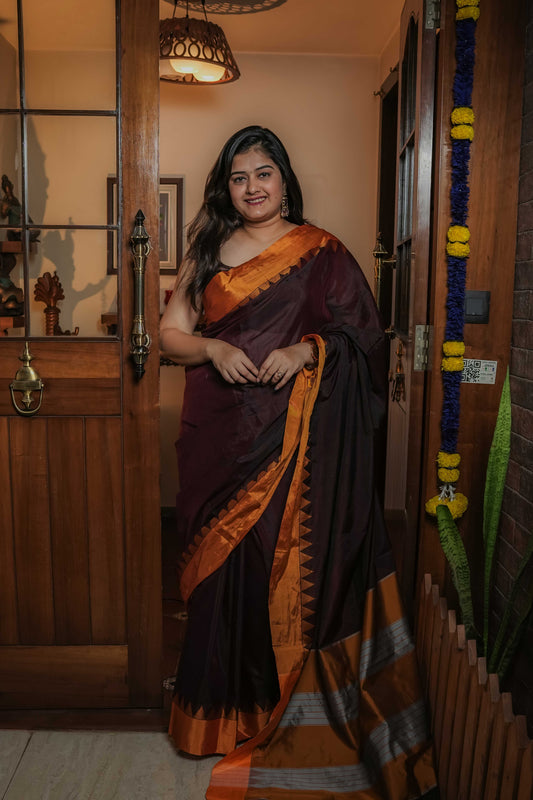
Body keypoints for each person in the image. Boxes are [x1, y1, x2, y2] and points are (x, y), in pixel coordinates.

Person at [160, 125, 436, 799]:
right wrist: (213, 349)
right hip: (220, 440)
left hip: (296, 443)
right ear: (225, 187)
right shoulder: (206, 249)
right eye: (239, 177)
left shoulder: (322, 253)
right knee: (221, 576)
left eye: (263, 173)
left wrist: (308, 350)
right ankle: (217, 719)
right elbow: (169, 335)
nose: (251, 187)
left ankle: (281, 714)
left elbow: (364, 339)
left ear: (284, 180)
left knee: (278, 573)